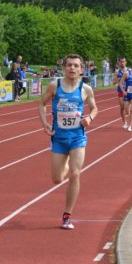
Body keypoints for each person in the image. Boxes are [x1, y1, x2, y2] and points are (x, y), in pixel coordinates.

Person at [38, 53, 98, 230]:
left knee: (75, 174)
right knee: (57, 179)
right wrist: (44, 123)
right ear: (64, 68)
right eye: (69, 65)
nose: (72, 68)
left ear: (82, 69)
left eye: (76, 65)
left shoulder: (86, 89)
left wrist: (90, 118)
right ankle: (66, 165)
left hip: (77, 137)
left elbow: (94, 108)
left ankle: (67, 215)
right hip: (59, 138)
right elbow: (41, 104)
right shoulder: (54, 86)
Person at [113, 56, 129, 128]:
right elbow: (114, 82)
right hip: (120, 91)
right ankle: (125, 122)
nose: (122, 63)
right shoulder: (117, 72)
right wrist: (116, 78)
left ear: (125, 62)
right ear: (119, 63)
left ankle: (128, 117)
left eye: (123, 61)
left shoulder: (129, 71)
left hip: (128, 91)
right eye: (121, 62)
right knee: (122, 107)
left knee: (127, 109)